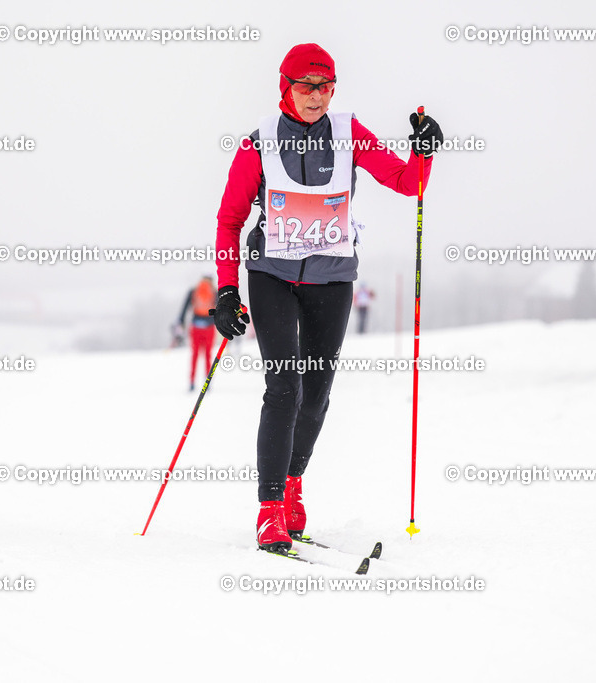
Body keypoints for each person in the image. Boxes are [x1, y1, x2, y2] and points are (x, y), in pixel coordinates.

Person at [213, 44, 442, 552]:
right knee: (284, 387)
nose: (317, 97)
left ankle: (294, 485)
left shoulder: (348, 133)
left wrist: (423, 152)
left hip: (332, 279)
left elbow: (406, 182)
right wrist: (227, 290)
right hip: (272, 276)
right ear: (286, 88)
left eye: (326, 87)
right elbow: (230, 221)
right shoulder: (258, 144)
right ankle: (270, 508)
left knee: (316, 394)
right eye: (306, 87)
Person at [176, 275, 217, 390]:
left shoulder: (193, 291)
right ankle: (207, 382)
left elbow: (184, 308)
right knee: (208, 355)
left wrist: (181, 321)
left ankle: (192, 381)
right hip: (209, 327)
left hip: (195, 326)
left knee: (195, 355)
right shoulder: (214, 292)